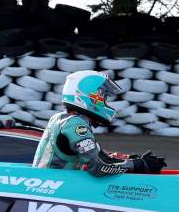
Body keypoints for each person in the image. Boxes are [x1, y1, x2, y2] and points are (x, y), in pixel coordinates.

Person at [33, 70, 166, 176]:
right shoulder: (75, 124)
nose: (105, 102)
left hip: (52, 183)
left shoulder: (62, 118)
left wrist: (131, 159)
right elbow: (98, 166)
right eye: (103, 97)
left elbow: (97, 156)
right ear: (88, 95)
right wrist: (136, 165)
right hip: (55, 188)